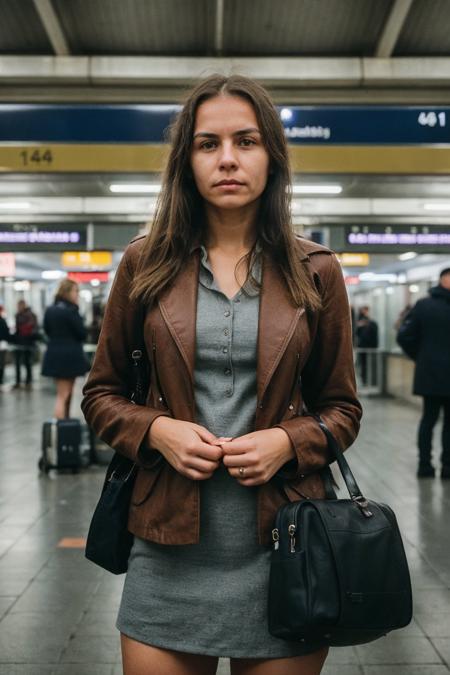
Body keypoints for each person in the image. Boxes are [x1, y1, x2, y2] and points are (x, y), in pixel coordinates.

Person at [82, 74, 362, 675]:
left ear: (272, 157)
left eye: (247, 141)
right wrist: (157, 430)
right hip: (166, 543)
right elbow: (101, 394)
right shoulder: (144, 263)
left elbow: (343, 408)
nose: (227, 159)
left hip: (286, 545)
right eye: (208, 144)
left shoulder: (317, 271)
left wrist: (289, 440)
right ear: (186, 160)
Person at [397, 268, 450, 479]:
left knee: (429, 419)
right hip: (436, 375)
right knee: (444, 422)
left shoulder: (423, 305)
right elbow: (404, 336)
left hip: (430, 375)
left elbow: (405, 336)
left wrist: (421, 357)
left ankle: (425, 466)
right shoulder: (425, 305)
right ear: (444, 280)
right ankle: (446, 467)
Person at [41, 279, 90, 418]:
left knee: (64, 393)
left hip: (54, 354)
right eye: (76, 291)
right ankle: (61, 430)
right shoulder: (71, 311)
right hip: (70, 356)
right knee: (63, 395)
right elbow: (81, 333)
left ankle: (65, 425)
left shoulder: (50, 310)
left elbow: (47, 330)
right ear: (67, 292)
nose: (77, 295)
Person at [14, 299, 38, 388]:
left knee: (27, 362)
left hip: (28, 342)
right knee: (19, 363)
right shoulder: (18, 315)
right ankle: (19, 381)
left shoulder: (30, 315)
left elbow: (34, 329)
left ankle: (28, 381)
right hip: (20, 342)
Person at [356, 305, 379, 386]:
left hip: (370, 349)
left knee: (370, 365)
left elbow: (374, 337)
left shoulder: (373, 324)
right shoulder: (360, 323)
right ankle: (364, 380)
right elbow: (357, 334)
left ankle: (370, 381)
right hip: (363, 348)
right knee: (363, 365)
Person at [0, 304, 11, 386]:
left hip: (2, 344)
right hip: (2, 344)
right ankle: (1, 379)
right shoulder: (3, 320)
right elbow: (6, 333)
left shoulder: (3, 320)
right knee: (1, 362)